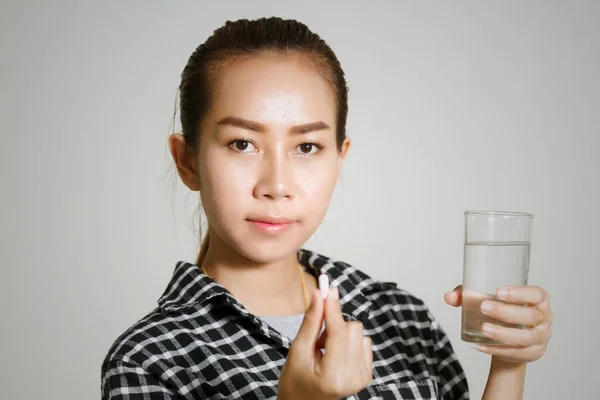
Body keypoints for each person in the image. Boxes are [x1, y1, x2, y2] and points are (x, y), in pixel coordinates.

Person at [101, 17, 553, 400]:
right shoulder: (150, 361)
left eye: (308, 146)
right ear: (188, 161)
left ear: (340, 158)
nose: (277, 186)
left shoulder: (400, 315)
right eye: (242, 143)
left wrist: (509, 366)